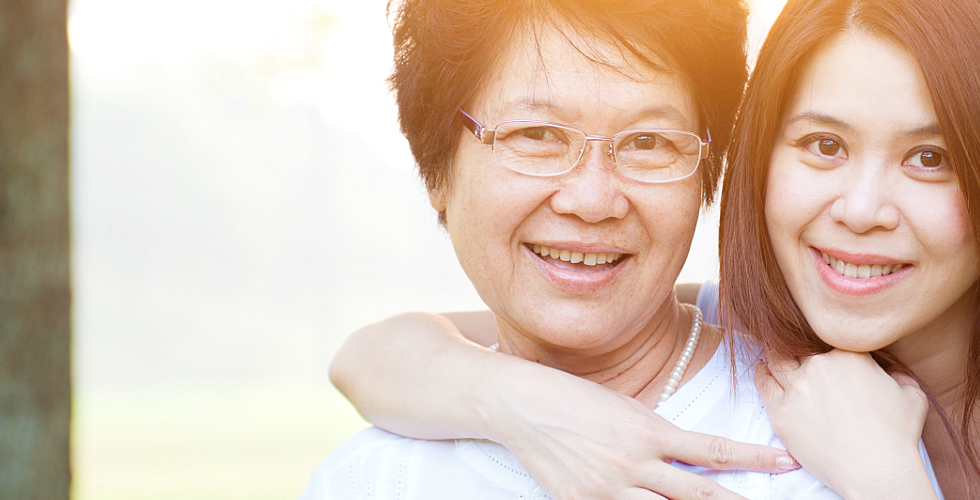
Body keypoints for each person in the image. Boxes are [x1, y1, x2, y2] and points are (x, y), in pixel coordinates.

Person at [332, 0, 980, 498]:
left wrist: (888, 485)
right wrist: (519, 401)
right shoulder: (762, 336)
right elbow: (389, 349)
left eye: (933, 158)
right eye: (822, 145)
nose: (860, 208)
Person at [302, 0, 847, 499]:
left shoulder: (823, 438)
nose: (593, 200)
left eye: (648, 142)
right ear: (438, 170)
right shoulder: (370, 479)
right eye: (537, 135)